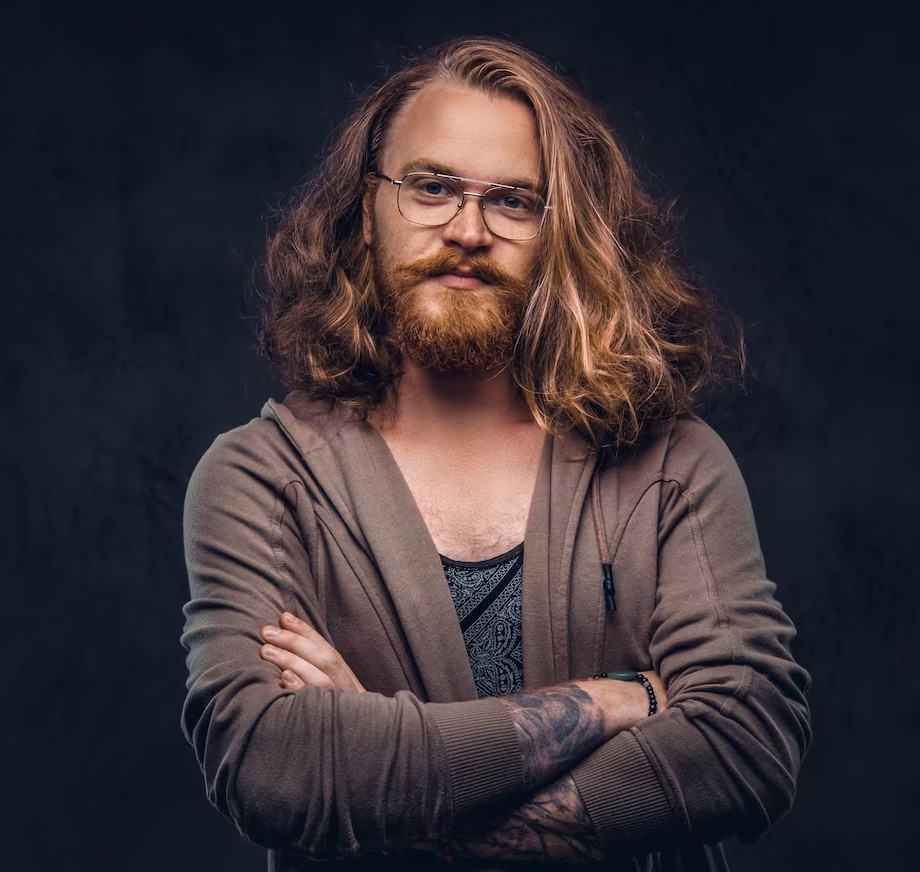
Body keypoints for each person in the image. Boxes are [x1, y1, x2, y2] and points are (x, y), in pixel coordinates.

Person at [180, 37, 811, 871]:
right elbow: (273, 770)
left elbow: (746, 745)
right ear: (368, 211)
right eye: (432, 188)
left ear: (563, 232)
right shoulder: (264, 481)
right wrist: (614, 701)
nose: (468, 230)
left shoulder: (669, 466)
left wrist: (377, 777)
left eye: (514, 201)